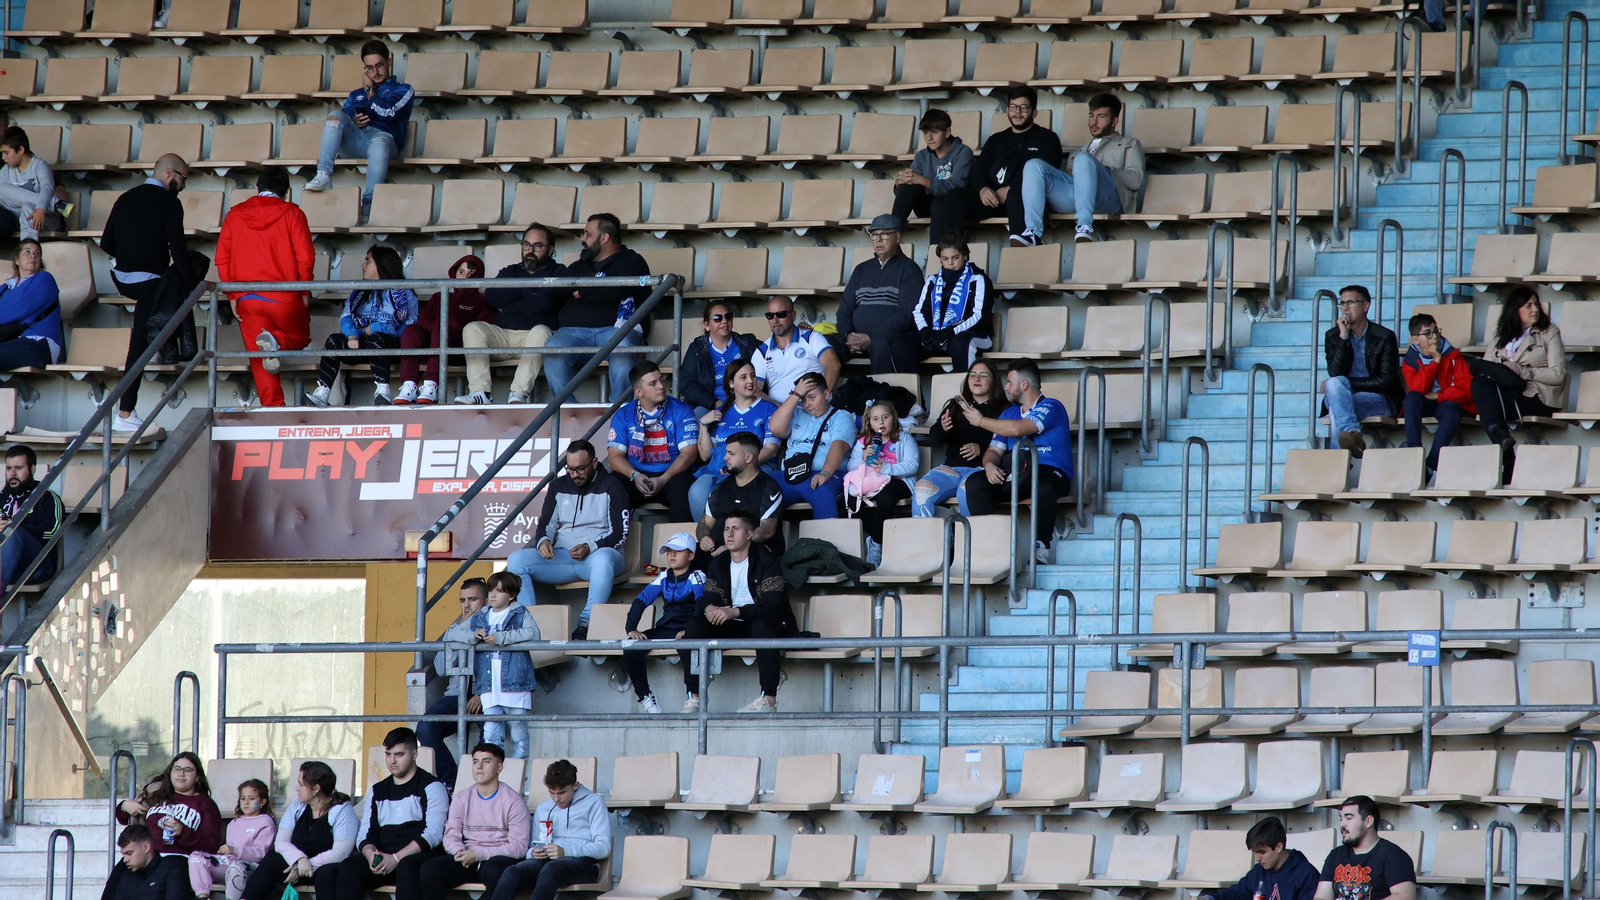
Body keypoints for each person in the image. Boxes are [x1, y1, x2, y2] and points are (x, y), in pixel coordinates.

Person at [100, 153, 196, 432]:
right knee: (138, 345)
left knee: (159, 298)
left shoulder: (125, 198)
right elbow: (178, 251)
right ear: (169, 174)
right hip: (150, 282)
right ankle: (125, 413)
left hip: (122, 278)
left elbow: (107, 243)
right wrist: (191, 285)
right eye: (183, 178)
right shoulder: (170, 203)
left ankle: (161, 344)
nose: (183, 185)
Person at [505, 441, 629, 640]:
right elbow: (546, 523)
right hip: (563, 557)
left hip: (598, 556)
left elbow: (620, 532)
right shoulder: (558, 486)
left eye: (580, 468)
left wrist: (591, 547)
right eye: (570, 469)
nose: (574, 474)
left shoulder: (613, 486)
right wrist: (543, 540)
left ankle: (586, 624)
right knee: (517, 560)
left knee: (603, 559)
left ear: (595, 463)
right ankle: (530, 626)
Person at [216, 166, 315, 408]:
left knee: (260, 360)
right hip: (284, 296)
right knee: (301, 338)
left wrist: (232, 296)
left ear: (257, 188)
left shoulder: (234, 215)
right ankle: (276, 339)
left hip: (248, 297)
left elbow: (222, 258)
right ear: (287, 192)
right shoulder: (293, 213)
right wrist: (304, 291)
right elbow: (306, 257)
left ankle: (274, 409)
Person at [961, 359, 1073, 563]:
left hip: (1051, 472)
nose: (1005, 387)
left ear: (1024, 385)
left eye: (1009, 382)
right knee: (975, 483)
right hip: (1017, 472)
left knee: (1042, 484)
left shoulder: (1052, 406)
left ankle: (1041, 548)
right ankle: (991, 548)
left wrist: (980, 421)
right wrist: (989, 465)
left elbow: (1019, 429)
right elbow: (994, 450)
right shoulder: (1008, 414)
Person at [687, 510, 798, 714]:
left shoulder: (767, 561)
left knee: (761, 624)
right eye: (726, 529)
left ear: (749, 534)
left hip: (771, 625)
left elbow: (771, 606)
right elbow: (708, 597)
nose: (728, 534)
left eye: (735, 529)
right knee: (695, 625)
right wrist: (710, 608)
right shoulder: (719, 563)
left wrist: (735, 612)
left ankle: (768, 699)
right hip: (735, 625)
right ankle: (695, 696)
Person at [543, 213, 652, 401]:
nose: (582, 239)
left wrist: (582, 291)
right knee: (552, 349)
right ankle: (570, 412)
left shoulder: (632, 261)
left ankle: (616, 414)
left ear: (604, 238)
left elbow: (617, 290)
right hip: (574, 333)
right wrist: (593, 289)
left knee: (623, 349)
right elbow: (556, 291)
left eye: (587, 234)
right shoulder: (580, 265)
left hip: (617, 332)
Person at [1015, 93, 1146, 246]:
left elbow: (1136, 180)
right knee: (1033, 165)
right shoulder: (1077, 152)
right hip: (1079, 198)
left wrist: (1103, 171)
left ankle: (1084, 225)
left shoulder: (1130, 144)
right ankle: (1033, 232)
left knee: (1084, 160)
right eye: (1091, 116)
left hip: (1110, 199)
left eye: (1101, 116)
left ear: (1114, 121)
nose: (1094, 122)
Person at [457, 223, 565, 406]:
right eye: (526, 245)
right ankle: (480, 393)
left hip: (533, 338)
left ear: (550, 250)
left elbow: (548, 302)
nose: (530, 250)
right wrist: (532, 293)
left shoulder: (559, 272)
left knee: (541, 330)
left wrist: (510, 302)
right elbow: (492, 296)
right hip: (504, 335)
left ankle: (518, 394)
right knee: (473, 328)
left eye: (538, 246)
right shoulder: (510, 271)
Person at [303, 39, 413, 219]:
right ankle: (323, 174)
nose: (375, 72)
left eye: (379, 65)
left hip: (385, 144)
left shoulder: (403, 89)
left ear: (389, 62)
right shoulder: (356, 94)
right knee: (335, 115)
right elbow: (341, 121)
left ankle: (369, 203)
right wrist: (353, 121)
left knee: (379, 143)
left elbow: (388, 112)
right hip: (358, 142)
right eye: (369, 68)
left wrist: (370, 91)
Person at [336, 727, 448, 900]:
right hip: (384, 857)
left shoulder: (432, 787)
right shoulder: (377, 791)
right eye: (388, 754)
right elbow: (366, 832)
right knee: (349, 867)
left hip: (415, 857)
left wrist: (397, 858)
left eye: (399, 754)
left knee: (407, 866)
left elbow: (433, 834)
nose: (392, 761)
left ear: (414, 754)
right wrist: (371, 854)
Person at [1471, 286, 1568, 479]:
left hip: (1536, 395)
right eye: (1528, 305)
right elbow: (1487, 367)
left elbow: (1558, 375)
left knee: (1490, 405)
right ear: (1515, 310)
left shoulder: (1549, 332)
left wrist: (1524, 372)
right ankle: (1499, 436)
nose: (1535, 309)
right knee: (1479, 382)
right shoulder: (1500, 336)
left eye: (1536, 304)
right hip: (1507, 393)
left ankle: (1505, 452)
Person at [305, 245, 418, 408]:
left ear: (382, 264)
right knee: (334, 340)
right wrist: (352, 335)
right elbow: (346, 316)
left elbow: (409, 327)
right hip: (361, 343)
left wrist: (377, 329)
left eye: (368, 261)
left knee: (377, 338)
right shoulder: (359, 292)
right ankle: (323, 392)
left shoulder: (404, 292)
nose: (362, 265)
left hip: (391, 347)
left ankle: (383, 391)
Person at [418, 742, 531, 900]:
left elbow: (518, 847)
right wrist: (458, 851)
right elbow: (451, 835)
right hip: (466, 858)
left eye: (486, 761)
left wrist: (478, 854)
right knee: (429, 869)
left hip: (496, 858)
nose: (479, 767)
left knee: (497, 872)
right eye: (475, 761)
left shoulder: (514, 801)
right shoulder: (461, 798)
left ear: (499, 768)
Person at [488, 760, 611, 900]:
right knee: (512, 872)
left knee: (551, 869)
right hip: (547, 862)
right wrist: (533, 852)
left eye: (562, 792)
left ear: (575, 785)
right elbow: (533, 845)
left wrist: (566, 852)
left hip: (583, 863)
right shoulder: (543, 808)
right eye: (551, 793)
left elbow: (603, 847)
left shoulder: (594, 802)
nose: (556, 798)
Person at [240, 761, 358, 900]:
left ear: (316, 788)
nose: (297, 789)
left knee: (327, 873)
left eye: (301, 785)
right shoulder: (297, 807)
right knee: (272, 859)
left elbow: (340, 853)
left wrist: (304, 866)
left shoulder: (342, 811)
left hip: (323, 866)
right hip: (296, 863)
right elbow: (281, 842)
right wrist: (299, 860)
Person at [623, 532, 706, 714]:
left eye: (677, 551)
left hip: (689, 631)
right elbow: (640, 601)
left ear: (691, 555)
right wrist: (631, 629)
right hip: (666, 629)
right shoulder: (663, 576)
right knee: (630, 647)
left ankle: (693, 697)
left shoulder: (697, 576)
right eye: (669, 551)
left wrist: (689, 629)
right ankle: (645, 697)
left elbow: (701, 604)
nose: (672, 555)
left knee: (689, 645)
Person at [607, 362, 700, 521]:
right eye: (653, 383)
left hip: (672, 475)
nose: (661, 386)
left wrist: (663, 479)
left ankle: (679, 545)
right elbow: (614, 457)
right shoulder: (624, 414)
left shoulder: (681, 410)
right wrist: (635, 475)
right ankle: (612, 542)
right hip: (636, 476)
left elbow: (689, 454)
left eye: (661, 380)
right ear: (638, 392)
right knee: (612, 484)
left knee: (684, 484)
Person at [394, 254, 492, 405]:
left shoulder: (483, 301)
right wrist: (441, 327)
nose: (465, 277)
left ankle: (431, 386)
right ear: (454, 274)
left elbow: (485, 328)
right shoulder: (439, 296)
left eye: (471, 274)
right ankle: (409, 385)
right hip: (435, 345)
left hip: (460, 351)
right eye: (461, 272)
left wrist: (448, 327)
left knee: (442, 331)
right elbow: (423, 321)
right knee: (411, 331)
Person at [418, 578, 488, 788]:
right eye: (462, 600)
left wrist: (483, 695)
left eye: (473, 599)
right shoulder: (455, 629)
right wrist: (463, 634)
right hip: (455, 695)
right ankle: (451, 781)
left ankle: (479, 783)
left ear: (486, 601)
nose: (466, 605)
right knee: (425, 728)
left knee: (492, 733)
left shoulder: (495, 628)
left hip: (486, 696)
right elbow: (441, 668)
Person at [690, 359, 781, 520]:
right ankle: (705, 540)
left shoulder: (768, 409)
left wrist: (741, 465)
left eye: (752, 376)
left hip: (757, 467)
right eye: (743, 377)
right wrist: (703, 425)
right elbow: (706, 456)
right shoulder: (720, 411)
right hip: (720, 468)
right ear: (731, 383)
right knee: (697, 491)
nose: (750, 381)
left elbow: (770, 450)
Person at [1321, 284, 1402, 459]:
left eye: (1350, 302)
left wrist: (1347, 385)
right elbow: (1335, 372)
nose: (1345, 308)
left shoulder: (1384, 336)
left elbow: (1386, 380)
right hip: (1344, 397)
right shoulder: (1333, 336)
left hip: (1379, 399)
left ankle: (1338, 466)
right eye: (1342, 303)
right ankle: (1352, 433)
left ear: (1365, 306)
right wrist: (1343, 338)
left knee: (1336, 402)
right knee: (1334, 384)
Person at [914, 359, 1004, 517]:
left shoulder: (1004, 408)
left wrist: (982, 448)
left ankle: (968, 540)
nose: (976, 379)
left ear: (994, 380)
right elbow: (935, 439)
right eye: (972, 375)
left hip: (981, 470)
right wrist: (942, 428)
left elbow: (1008, 441)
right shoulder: (955, 405)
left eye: (983, 375)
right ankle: (926, 541)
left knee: (967, 492)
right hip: (951, 469)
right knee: (922, 489)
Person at [837, 214, 924, 374]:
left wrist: (871, 337)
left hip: (886, 337)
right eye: (874, 235)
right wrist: (848, 335)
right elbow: (845, 309)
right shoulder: (861, 270)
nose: (878, 240)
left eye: (884, 234)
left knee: (881, 344)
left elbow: (905, 314)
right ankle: (828, 396)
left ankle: (880, 396)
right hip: (855, 339)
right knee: (823, 344)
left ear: (897, 236)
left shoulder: (909, 270)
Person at [974, 85, 1063, 241]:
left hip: (1026, 203)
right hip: (993, 201)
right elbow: (978, 171)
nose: (1017, 113)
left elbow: (1046, 176)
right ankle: (948, 257)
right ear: (1007, 110)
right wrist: (983, 189)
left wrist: (1012, 189)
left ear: (1034, 112)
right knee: (954, 198)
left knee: (1018, 193)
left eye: (1023, 108)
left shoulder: (1048, 139)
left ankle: (1023, 249)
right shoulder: (996, 139)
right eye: (1013, 107)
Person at [469, 572, 539, 760]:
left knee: (518, 734)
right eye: (491, 590)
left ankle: (520, 777)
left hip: (515, 683)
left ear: (511, 595)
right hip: (489, 685)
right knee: (490, 734)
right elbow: (460, 635)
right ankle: (495, 775)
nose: (492, 595)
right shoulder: (480, 615)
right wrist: (472, 636)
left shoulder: (520, 612)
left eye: (499, 591)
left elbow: (533, 633)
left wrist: (502, 638)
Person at [842, 400, 919, 566]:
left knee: (886, 496)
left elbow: (912, 465)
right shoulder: (864, 441)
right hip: (872, 483)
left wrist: (886, 468)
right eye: (876, 419)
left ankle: (876, 543)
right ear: (869, 422)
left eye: (885, 417)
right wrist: (863, 458)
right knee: (848, 500)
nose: (881, 423)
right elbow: (850, 465)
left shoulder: (904, 438)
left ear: (894, 418)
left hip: (898, 481)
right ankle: (884, 535)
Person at [1401, 313, 1475, 478]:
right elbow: (1417, 388)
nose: (1434, 337)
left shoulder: (1452, 355)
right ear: (1415, 339)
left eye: (1436, 331)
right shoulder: (1410, 360)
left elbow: (1469, 390)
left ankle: (1430, 465)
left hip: (1445, 401)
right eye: (1427, 333)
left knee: (1451, 410)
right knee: (1411, 399)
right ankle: (1414, 453)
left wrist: (1439, 396)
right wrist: (1435, 361)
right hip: (1423, 402)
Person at [769, 372, 852, 518]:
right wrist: (796, 395)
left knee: (822, 491)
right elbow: (776, 429)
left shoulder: (841, 416)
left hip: (826, 475)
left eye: (812, 397)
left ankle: (825, 540)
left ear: (826, 394)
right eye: (803, 399)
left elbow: (839, 447)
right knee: (761, 488)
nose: (807, 404)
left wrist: (826, 473)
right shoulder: (796, 413)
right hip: (791, 475)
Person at [116, 753, 224, 857]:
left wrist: (183, 832)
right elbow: (123, 819)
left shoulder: (205, 803)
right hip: (146, 858)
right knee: (119, 873)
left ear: (197, 777)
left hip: (179, 858)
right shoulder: (156, 795)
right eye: (177, 769)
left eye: (188, 770)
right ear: (170, 773)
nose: (181, 774)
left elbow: (213, 845)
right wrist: (124, 806)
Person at [892, 108, 974, 242]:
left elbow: (958, 185)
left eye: (935, 132)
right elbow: (911, 186)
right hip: (925, 205)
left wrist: (924, 181)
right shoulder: (922, 156)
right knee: (909, 185)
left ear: (947, 132)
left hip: (951, 207)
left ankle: (937, 254)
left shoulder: (962, 152)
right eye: (925, 133)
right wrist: (899, 184)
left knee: (939, 202)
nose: (929, 138)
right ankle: (892, 232)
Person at [700, 430, 785, 556]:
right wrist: (704, 537)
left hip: (754, 554)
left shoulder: (768, 487)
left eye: (731, 453)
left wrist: (731, 549)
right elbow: (704, 523)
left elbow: (767, 531)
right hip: (717, 553)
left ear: (748, 457)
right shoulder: (721, 486)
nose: (725, 457)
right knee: (687, 556)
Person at [913, 234, 992, 369]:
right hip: (937, 334)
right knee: (900, 343)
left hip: (975, 335)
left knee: (961, 343)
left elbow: (977, 316)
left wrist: (947, 333)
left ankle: (963, 389)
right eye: (945, 259)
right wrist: (925, 332)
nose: (950, 263)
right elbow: (920, 311)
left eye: (955, 258)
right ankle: (907, 389)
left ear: (965, 256)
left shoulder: (978, 279)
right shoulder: (933, 280)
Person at [187, 779, 275, 900]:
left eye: (252, 798)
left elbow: (260, 854)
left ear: (262, 802)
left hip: (252, 868)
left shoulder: (265, 821)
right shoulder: (234, 823)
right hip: (229, 864)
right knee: (197, 856)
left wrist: (234, 850)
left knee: (236, 868)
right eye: (243, 798)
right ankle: (203, 896)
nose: (246, 802)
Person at [1316, 796, 1417, 900]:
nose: (1342, 824)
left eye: (1349, 818)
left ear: (1368, 821)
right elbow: (1321, 896)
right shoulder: (1335, 855)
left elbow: (1405, 896)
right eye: (1341, 818)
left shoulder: (1394, 856)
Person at [1200, 818, 1320, 900]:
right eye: (1255, 852)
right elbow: (1236, 893)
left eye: (1262, 852)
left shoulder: (1306, 874)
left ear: (1278, 847)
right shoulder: (1259, 871)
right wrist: (1210, 898)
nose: (1257, 858)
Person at [682, 299, 762, 415]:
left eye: (728, 316)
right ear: (706, 325)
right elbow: (686, 383)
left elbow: (772, 352)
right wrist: (714, 403)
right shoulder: (697, 349)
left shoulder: (747, 343)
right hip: (710, 406)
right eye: (717, 318)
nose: (724, 321)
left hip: (746, 402)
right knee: (697, 419)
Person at [751, 295, 840, 400]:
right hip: (779, 413)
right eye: (770, 316)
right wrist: (778, 408)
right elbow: (755, 390)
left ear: (793, 316)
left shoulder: (811, 338)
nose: (775, 320)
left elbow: (833, 365)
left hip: (814, 412)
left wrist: (821, 398)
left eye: (781, 314)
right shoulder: (761, 351)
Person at [0, 444, 60, 596]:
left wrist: (15, 526)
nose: (12, 473)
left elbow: (53, 532)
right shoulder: (1, 498)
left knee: (12, 532)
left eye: (18, 468)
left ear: (32, 469)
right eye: (8, 468)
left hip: (35, 567)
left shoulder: (47, 498)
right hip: (5, 568)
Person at [0, 239, 63, 371]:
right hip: (11, 341)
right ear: (17, 260)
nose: (33, 256)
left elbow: (18, 308)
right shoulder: (6, 288)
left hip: (39, 344)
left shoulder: (45, 279)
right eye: (27, 252)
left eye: (37, 253)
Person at [0, 126, 66, 240]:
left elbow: (47, 187)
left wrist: (41, 207)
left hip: (45, 218)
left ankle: (27, 248)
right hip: (18, 219)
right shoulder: (6, 170)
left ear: (20, 150)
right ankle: (54, 204)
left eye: (6, 153)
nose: (3, 158)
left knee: (28, 207)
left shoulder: (39, 165)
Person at [104, 825, 190, 900]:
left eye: (129, 853)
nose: (125, 859)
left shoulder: (172, 868)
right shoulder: (125, 876)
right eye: (124, 855)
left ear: (146, 847)